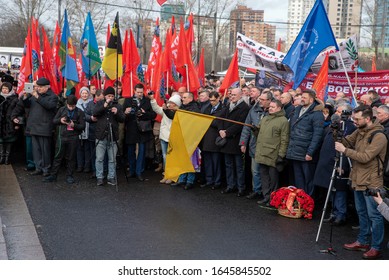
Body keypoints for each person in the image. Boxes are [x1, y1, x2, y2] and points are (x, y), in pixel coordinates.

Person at [335, 105, 387, 259]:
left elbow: (365, 157)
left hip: (372, 181)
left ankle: (375, 247)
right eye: (353, 118)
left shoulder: (379, 136)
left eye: (357, 119)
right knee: (361, 212)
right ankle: (362, 241)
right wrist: (336, 132)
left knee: (374, 216)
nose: (354, 122)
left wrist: (344, 150)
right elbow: (346, 142)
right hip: (358, 177)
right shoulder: (359, 131)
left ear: (368, 118)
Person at [314, 103, 356, 226]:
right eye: (336, 111)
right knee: (331, 189)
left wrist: (344, 166)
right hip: (327, 162)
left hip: (339, 164)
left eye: (340, 112)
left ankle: (340, 214)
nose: (337, 114)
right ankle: (333, 212)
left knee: (339, 191)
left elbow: (348, 148)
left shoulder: (350, 128)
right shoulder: (333, 126)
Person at [13, 77, 58, 176]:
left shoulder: (52, 96)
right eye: (38, 87)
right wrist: (25, 97)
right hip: (33, 125)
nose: (39, 88)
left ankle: (46, 168)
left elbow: (49, 106)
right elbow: (27, 105)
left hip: (45, 127)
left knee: (45, 150)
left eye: (41, 87)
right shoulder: (34, 95)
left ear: (47, 87)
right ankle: (38, 167)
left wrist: (37, 96)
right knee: (36, 149)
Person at [286, 89, 324, 196]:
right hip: (295, 150)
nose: (302, 99)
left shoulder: (317, 114)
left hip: (306, 152)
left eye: (304, 97)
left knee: (308, 179)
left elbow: (317, 135)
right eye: (301, 97)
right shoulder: (297, 110)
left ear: (311, 100)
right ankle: (300, 201)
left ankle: (308, 202)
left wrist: (310, 152)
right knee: (298, 178)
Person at [44, 95, 85, 184]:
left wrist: (74, 125)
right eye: (69, 106)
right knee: (58, 156)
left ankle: (70, 176)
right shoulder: (62, 109)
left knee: (71, 157)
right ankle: (53, 175)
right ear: (67, 104)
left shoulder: (79, 112)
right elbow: (54, 120)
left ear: (75, 104)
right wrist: (60, 120)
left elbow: (82, 126)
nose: (70, 108)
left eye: (72, 106)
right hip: (62, 136)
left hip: (73, 137)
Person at [255, 99, 289, 205]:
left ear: (279, 108)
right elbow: (260, 135)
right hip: (262, 152)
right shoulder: (265, 118)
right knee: (264, 177)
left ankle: (273, 199)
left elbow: (284, 139)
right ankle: (266, 197)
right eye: (270, 107)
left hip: (273, 154)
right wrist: (255, 131)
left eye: (273, 107)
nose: (270, 108)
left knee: (273, 179)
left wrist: (281, 155)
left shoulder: (283, 121)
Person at [239, 89, 271, 200]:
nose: (260, 101)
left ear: (269, 100)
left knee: (266, 172)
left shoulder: (273, 111)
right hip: (254, 145)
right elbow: (247, 126)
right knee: (255, 170)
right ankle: (256, 190)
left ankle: (267, 193)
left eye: (263, 99)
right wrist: (243, 143)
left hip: (267, 147)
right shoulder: (253, 109)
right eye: (259, 99)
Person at [219, 88, 250, 197]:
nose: (231, 96)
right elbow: (221, 118)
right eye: (231, 94)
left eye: (234, 95)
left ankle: (240, 187)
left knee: (239, 166)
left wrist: (227, 132)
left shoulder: (245, 108)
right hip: (226, 140)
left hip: (236, 140)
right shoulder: (228, 106)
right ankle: (230, 185)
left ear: (240, 95)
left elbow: (240, 124)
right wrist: (221, 130)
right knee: (228, 165)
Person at [123, 83, 156, 181]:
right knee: (130, 152)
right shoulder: (128, 100)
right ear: (134, 91)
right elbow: (122, 116)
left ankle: (139, 172)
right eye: (138, 92)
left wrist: (144, 114)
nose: (140, 94)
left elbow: (153, 115)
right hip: (131, 129)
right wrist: (126, 112)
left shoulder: (147, 101)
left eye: (141, 92)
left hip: (143, 130)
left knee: (141, 152)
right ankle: (132, 171)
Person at [94, 86, 125, 186]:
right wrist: (105, 105)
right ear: (104, 96)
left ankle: (111, 177)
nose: (110, 97)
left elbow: (122, 119)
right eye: (108, 96)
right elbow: (95, 113)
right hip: (101, 135)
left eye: (112, 96)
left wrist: (117, 113)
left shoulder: (118, 105)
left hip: (113, 136)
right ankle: (99, 177)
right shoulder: (99, 103)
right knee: (99, 158)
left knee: (112, 159)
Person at [149, 93, 181, 184]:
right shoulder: (165, 110)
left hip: (173, 137)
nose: (169, 104)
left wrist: (165, 109)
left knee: (172, 158)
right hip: (163, 137)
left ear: (176, 104)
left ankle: (173, 176)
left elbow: (171, 116)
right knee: (165, 157)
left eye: (171, 102)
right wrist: (152, 100)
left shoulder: (178, 112)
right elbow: (156, 109)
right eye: (169, 102)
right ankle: (166, 175)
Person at [171, 92, 200, 190]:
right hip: (182, 136)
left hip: (191, 137)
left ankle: (190, 181)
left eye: (184, 97)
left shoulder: (195, 108)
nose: (182, 99)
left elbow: (191, 119)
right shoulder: (182, 107)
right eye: (182, 97)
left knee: (191, 160)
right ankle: (182, 179)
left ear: (191, 99)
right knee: (182, 159)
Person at [201, 91, 226, 189]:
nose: (212, 102)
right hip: (206, 139)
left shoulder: (223, 109)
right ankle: (209, 180)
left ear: (218, 99)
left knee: (216, 162)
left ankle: (217, 181)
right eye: (210, 100)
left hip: (216, 139)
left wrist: (208, 120)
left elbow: (218, 122)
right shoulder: (207, 107)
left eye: (214, 100)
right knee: (207, 162)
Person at [0, 82, 19, 164]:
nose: (4, 90)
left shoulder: (14, 99)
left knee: (9, 141)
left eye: (6, 88)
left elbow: (17, 112)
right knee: (0, 141)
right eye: (3, 88)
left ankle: (7, 158)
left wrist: (16, 124)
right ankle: (1, 157)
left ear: (10, 89)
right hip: (0, 122)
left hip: (10, 123)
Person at [76, 87, 93, 173]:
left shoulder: (91, 103)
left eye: (86, 93)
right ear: (80, 94)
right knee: (79, 148)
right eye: (83, 93)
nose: (84, 95)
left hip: (89, 128)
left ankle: (87, 166)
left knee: (87, 149)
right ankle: (80, 165)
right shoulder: (77, 104)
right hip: (79, 128)